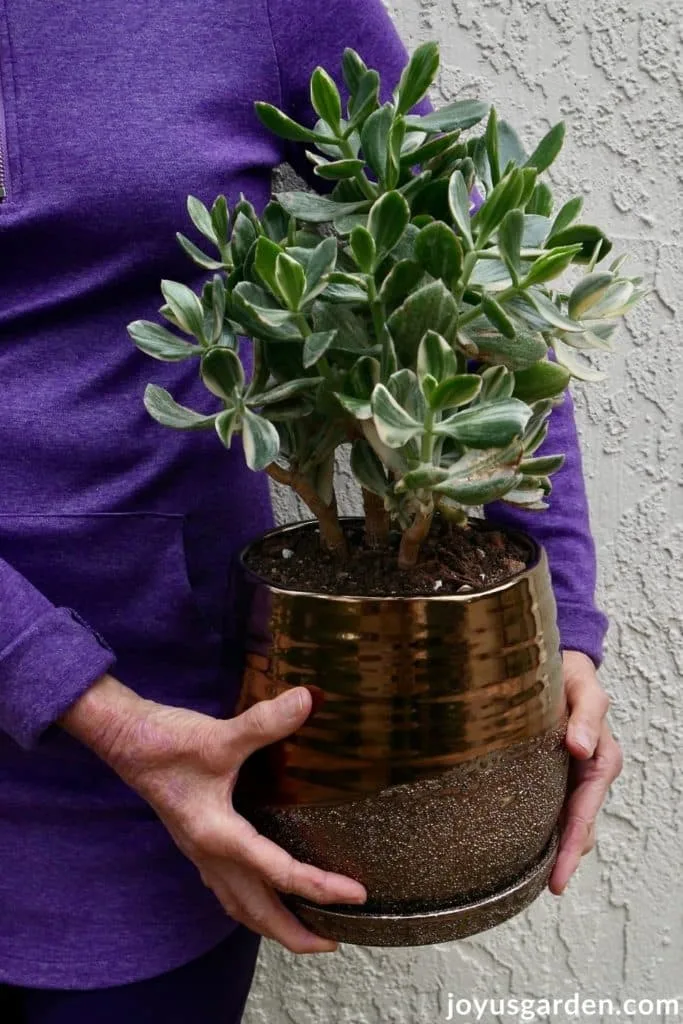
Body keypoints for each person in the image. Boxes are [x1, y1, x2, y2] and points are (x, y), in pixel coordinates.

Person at [0, 0, 622, 1021]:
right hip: (131, 739)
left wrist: (558, 639)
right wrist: (79, 699)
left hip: (172, 793)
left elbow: (476, 268)